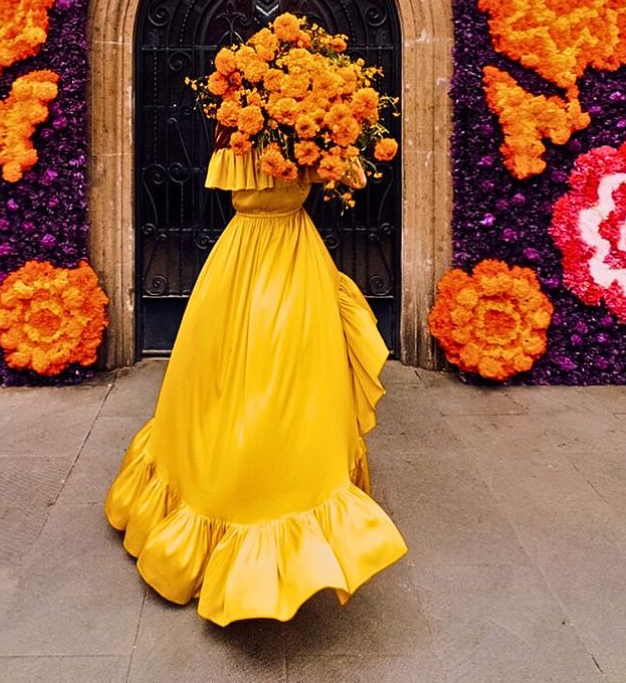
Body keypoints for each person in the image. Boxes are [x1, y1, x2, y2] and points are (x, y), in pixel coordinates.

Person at [105, 116, 406, 625]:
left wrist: (331, 134)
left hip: (262, 257)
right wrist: (325, 140)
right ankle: (246, 496)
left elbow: (346, 176)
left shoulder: (243, 131)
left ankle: (268, 490)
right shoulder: (241, 130)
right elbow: (345, 178)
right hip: (270, 257)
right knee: (253, 377)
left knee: (283, 380)